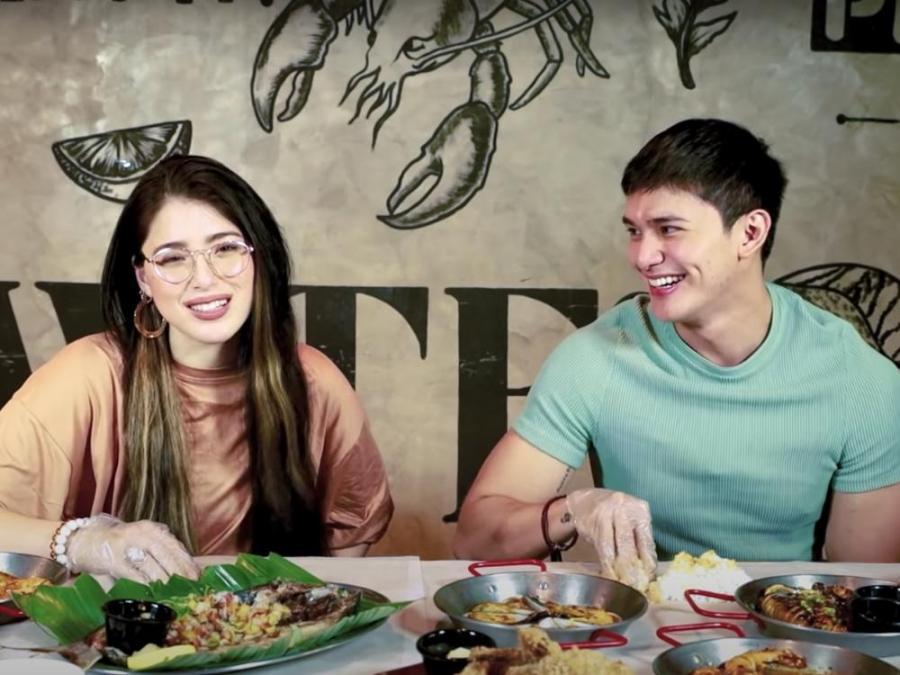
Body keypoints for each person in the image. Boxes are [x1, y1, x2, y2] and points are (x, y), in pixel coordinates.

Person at [454, 118, 900, 585]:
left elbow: (866, 585)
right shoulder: (594, 357)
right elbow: (473, 541)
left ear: (750, 233)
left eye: (668, 229)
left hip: (783, 624)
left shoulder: (861, 382)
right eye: (634, 230)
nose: (642, 256)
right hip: (640, 623)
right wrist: (573, 508)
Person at [0, 155, 393, 581]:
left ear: (258, 257)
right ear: (144, 279)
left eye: (225, 248)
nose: (204, 278)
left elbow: (349, 533)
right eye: (173, 258)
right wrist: (82, 542)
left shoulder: (315, 380)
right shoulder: (87, 374)